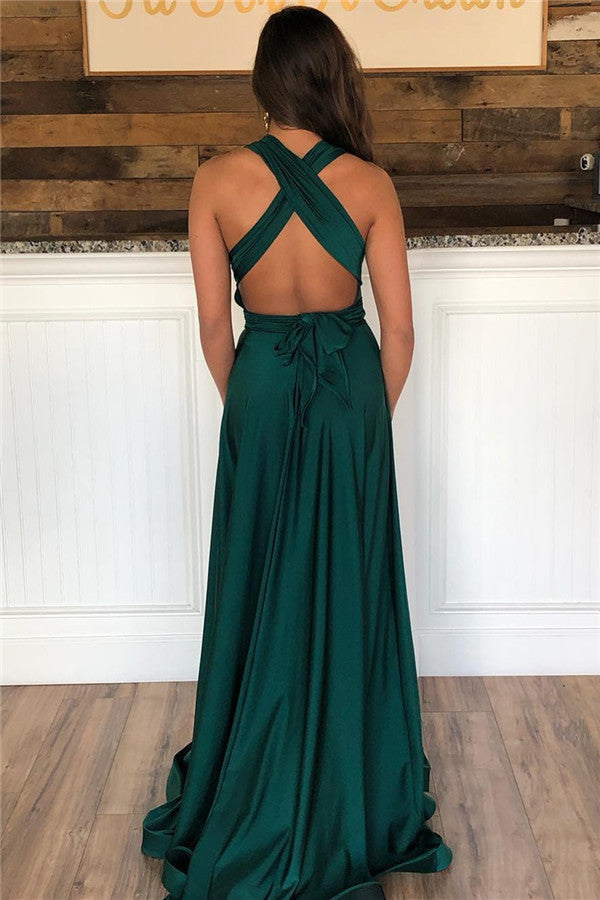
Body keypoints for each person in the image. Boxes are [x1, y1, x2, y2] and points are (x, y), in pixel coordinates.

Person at [141, 6, 453, 899]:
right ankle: (351, 776)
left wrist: (252, 409)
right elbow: (400, 332)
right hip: (352, 392)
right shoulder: (371, 183)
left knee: (256, 574)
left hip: (263, 388)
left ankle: (250, 772)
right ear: (333, 75)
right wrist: (360, 425)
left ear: (264, 81)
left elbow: (214, 325)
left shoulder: (215, 180)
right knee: (348, 579)